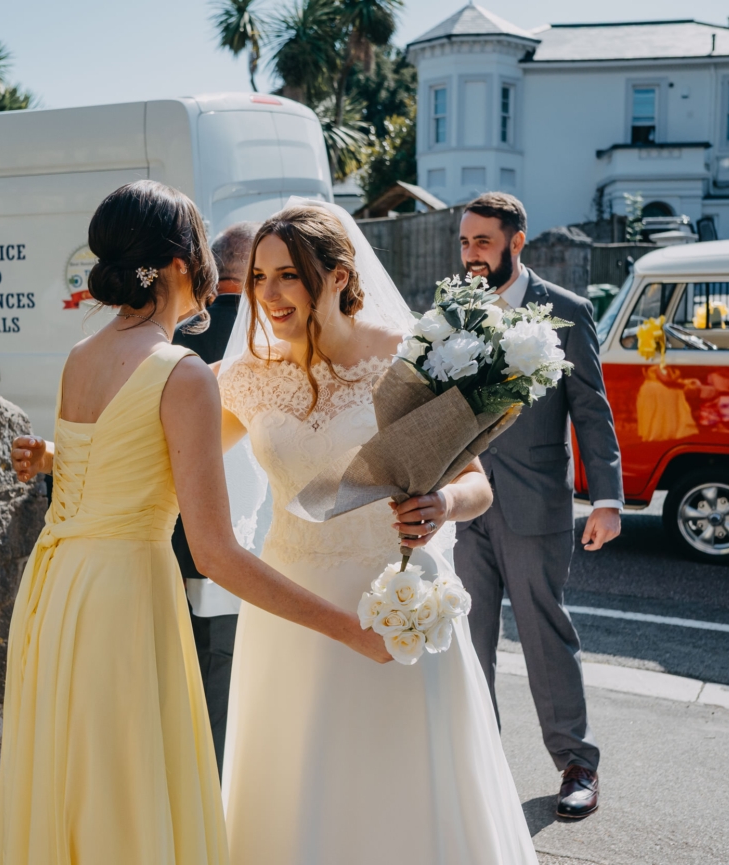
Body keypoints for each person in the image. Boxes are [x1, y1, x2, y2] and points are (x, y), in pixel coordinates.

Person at [0, 181, 390, 865]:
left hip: (55, 587)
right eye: (207, 248)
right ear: (181, 263)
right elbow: (215, 553)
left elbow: (121, 454)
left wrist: (53, 455)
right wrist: (348, 628)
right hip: (123, 598)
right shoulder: (182, 373)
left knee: (75, 778)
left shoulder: (81, 356)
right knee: (123, 787)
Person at [215, 203, 538, 864]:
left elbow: (479, 483)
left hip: (396, 605)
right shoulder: (245, 376)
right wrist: (56, 454)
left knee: (403, 791)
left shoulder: (406, 358)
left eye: (287, 276)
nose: (268, 295)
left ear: (337, 276)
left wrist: (442, 501)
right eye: (258, 278)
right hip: (292, 612)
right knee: (298, 788)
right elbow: (165, 459)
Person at [447, 191, 625, 819]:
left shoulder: (567, 311)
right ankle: (479, 765)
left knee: (545, 633)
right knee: (466, 638)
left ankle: (577, 764)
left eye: (482, 242)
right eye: (464, 242)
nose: (470, 254)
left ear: (516, 243)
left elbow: (592, 412)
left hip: (535, 501)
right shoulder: (452, 310)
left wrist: (606, 499)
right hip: (463, 504)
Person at [170, 221, 260, 774]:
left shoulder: (175, 337)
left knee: (182, 676)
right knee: (225, 683)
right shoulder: (263, 341)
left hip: (173, 532)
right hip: (236, 534)